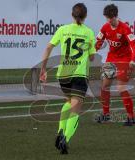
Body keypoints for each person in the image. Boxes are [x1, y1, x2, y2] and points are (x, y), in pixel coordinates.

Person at [40, 3, 96, 154]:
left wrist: (43, 68)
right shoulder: (89, 32)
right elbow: (91, 58)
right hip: (79, 75)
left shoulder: (63, 30)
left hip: (63, 75)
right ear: (85, 17)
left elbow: (48, 47)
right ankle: (65, 138)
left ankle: (60, 130)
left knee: (68, 102)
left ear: (72, 15)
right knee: (75, 110)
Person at [95, 4, 135, 126]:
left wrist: (132, 60)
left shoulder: (125, 28)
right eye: (106, 18)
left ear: (115, 16)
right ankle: (106, 114)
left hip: (124, 60)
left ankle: (131, 116)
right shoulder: (105, 27)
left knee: (121, 88)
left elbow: (134, 45)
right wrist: (95, 48)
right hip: (111, 59)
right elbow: (99, 40)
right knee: (104, 86)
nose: (108, 21)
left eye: (110, 18)